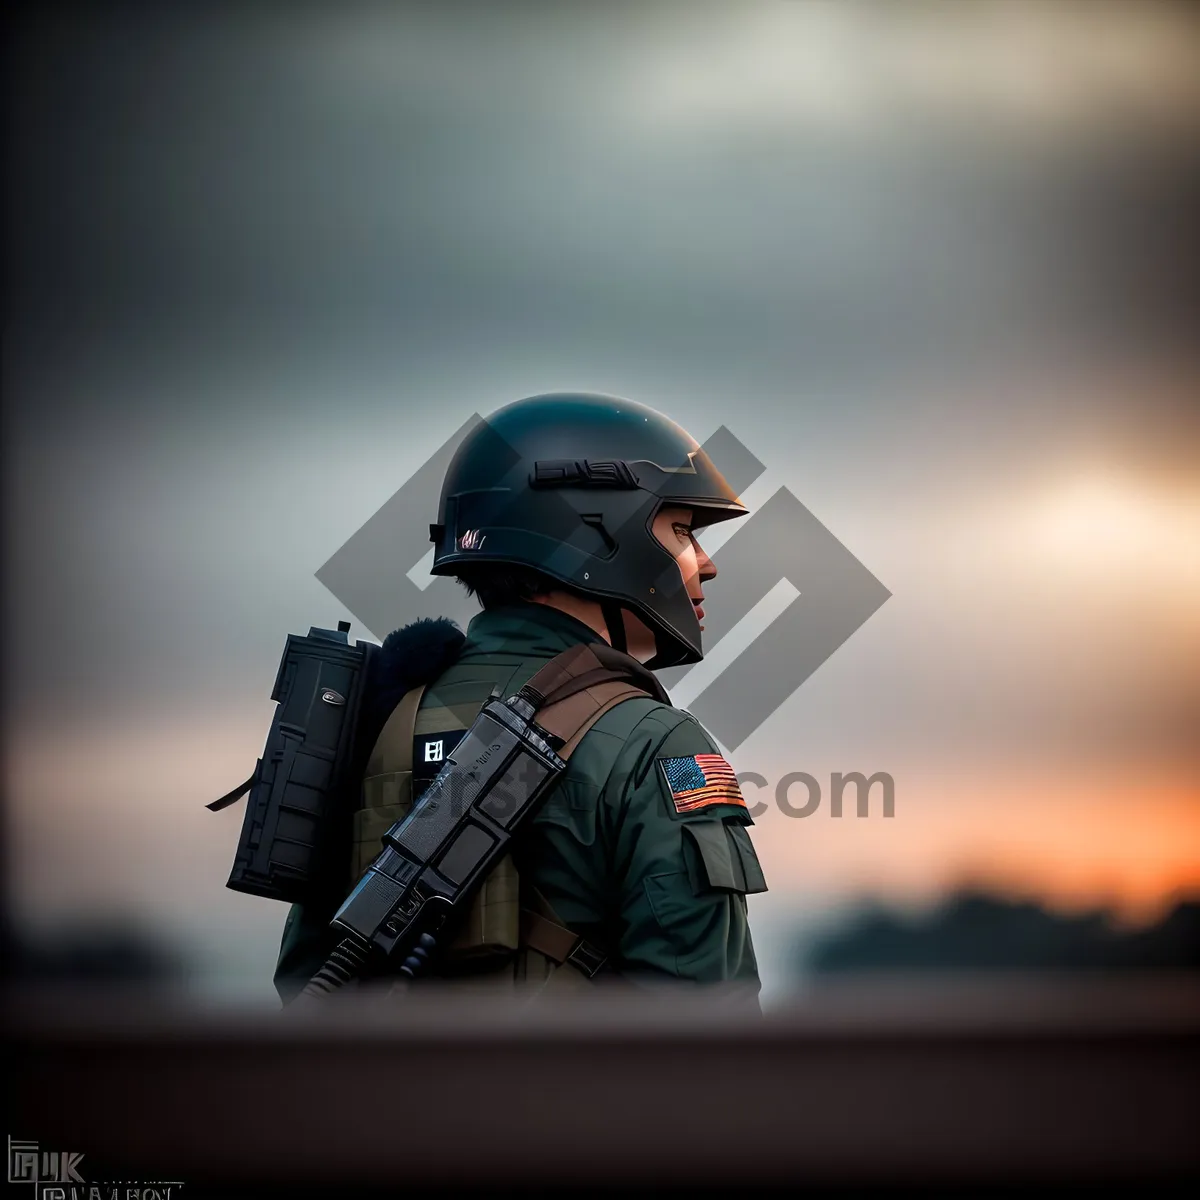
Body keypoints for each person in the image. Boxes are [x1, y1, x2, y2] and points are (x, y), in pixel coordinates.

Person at [274, 392, 767, 1002]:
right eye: (683, 531)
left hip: (381, 1095)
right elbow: (706, 1017)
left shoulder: (369, 718)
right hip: (568, 1098)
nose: (705, 564)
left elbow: (306, 981)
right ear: (599, 536)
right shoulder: (655, 742)